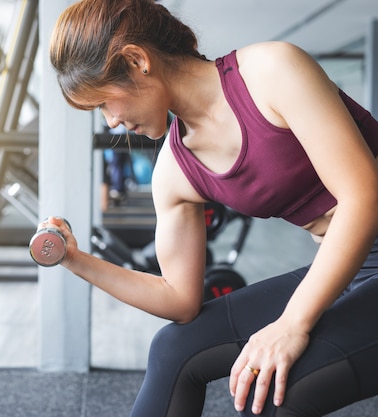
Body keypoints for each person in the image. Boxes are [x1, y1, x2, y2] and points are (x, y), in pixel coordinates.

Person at [39, 0, 378, 416]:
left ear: (137, 59)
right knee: (175, 348)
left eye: (105, 102)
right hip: (355, 265)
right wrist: (75, 259)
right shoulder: (175, 171)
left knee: (281, 388)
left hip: (360, 243)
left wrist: (292, 325)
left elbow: (363, 198)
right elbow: (180, 301)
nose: (110, 122)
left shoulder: (273, 71)